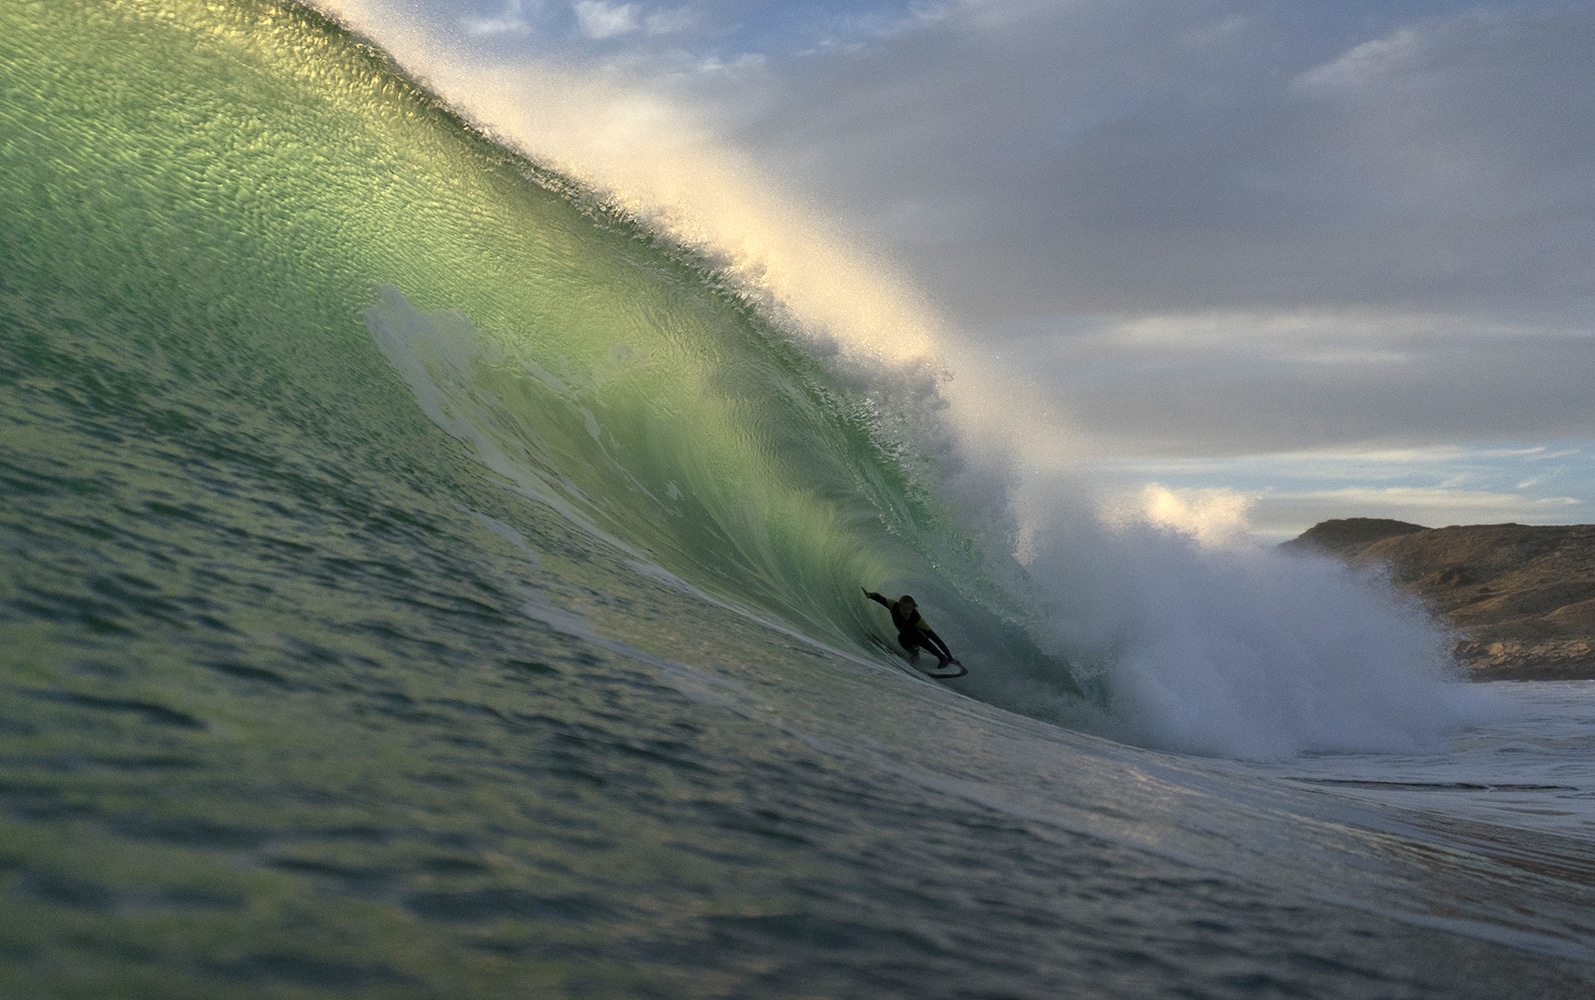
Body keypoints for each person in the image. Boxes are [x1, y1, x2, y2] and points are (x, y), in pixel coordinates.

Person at [862, 588, 961, 671]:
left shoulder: (917, 619)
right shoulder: (893, 606)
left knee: (914, 633)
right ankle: (914, 654)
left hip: (920, 638)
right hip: (906, 638)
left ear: (913, 608)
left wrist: (950, 657)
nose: (907, 612)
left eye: (909, 609)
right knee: (901, 637)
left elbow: (936, 639)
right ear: (899, 607)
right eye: (904, 609)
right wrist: (870, 595)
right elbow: (879, 598)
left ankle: (941, 658)